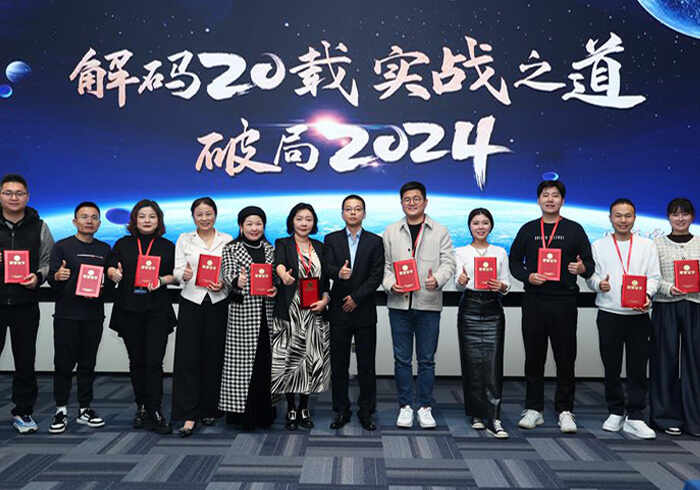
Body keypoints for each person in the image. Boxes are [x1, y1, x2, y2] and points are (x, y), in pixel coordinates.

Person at [509, 180, 594, 433]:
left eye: (555, 195)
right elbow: (514, 261)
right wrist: (528, 276)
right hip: (534, 301)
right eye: (545, 195)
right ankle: (533, 408)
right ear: (538, 200)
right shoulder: (528, 229)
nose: (550, 199)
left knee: (566, 358)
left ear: (562, 201)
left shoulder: (574, 230)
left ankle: (565, 410)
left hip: (564, 302)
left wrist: (582, 268)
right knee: (534, 358)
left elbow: (589, 265)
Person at [382, 181, 456, 430]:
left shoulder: (440, 230)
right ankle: (405, 406)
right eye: (407, 199)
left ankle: (424, 407)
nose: (411, 203)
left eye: (416, 199)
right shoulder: (391, 231)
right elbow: (384, 266)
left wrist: (439, 279)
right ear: (401, 203)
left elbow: (449, 263)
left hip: (428, 304)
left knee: (426, 360)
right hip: (399, 304)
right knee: (402, 360)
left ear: (425, 202)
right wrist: (391, 284)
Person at [586, 198, 660, 439]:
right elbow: (591, 277)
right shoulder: (599, 245)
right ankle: (615, 411)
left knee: (638, 367)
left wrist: (647, 295)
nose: (623, 220)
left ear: (635, 218)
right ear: (610, 218)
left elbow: (654, 277)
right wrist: (599, 284)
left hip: (638, 315)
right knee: (611, 366)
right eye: (618, 215)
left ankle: (635, 415)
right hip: (609, 314)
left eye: (628, 216)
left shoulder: (647, 245)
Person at [106, 199, 176, 435]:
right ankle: (142, 407)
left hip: (157, 310)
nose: (147, 220)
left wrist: (162, 280)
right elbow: (110, 265)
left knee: (154, 362)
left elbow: (175, 275)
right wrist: (112, 272)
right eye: (142, 216)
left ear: (159, 220)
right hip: (129, 309)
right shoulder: (123, 243)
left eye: (152, 216)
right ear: (134, 220)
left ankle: (155, 410)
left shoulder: (167, 246)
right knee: (136, 362)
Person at [47, 202, 113, 434]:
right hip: (66, 314)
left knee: (88, 364)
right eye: (84, 217)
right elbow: (51, 279)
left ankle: (85, 408)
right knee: (63, 364)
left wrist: (106, 283)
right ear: (75, 221)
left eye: (94, 217)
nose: (89, 221)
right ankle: (61, 409)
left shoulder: (105, 249)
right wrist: (58, 276)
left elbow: (110, 283)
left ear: (99, 223)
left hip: (93, 316)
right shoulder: (62, 247)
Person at [171, 197, 231, 437]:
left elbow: (230, 272)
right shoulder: (184, 239)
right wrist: (182, 275)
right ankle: (188, 414)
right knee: (188, 359)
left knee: (214, 357)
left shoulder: (227, 239)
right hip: (191, 302)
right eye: (199, 214)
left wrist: (224, 284)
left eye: (209, 214)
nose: (204, 218)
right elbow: (177, 270)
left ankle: (210, 409)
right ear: (193, 217)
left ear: (215, 215)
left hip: (218, 303)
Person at [324, 195, 384, 431]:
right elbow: (326, 267)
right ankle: (341, 410)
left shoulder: (375, 241)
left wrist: (356, 298)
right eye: (348, 209)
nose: (352, 212)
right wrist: (338, 273)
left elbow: (376, 276)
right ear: (342, 214)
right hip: (339, 311)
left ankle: (366, 411)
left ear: (364, 214)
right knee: (339, 364)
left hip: (364, 311)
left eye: (357, 209)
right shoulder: (331, 239)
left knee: (366, 365)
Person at [0, 173, 54, 433]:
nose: (14, 197)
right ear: (0, 196)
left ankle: (23, 412)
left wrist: (39, 277)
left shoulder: (40, 226)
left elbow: (48, 261)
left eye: (19, 193)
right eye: (8, 193)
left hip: (26, 304)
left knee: (25, 360)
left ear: (28, 196)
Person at [272, 203, 330, 431]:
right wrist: (282, 275)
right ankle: (291, 407)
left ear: (313, 222)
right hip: (290, 310)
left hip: (313, 310)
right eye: (299, 219)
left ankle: (304, 407)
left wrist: (325, 299)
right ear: (292, 221)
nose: (304, 223)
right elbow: (279, 264)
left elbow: (325, 281)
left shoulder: (320, 246)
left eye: (308, 219)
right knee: (290, 360)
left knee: (310, 360)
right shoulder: (283, 243)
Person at [219, 206, 278, 431]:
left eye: (259, 224)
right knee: (243, 367)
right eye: (249, 224)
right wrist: (237, 281)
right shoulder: (231, 248)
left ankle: (265, 414)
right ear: (241, 226)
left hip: (267, 315)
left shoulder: (270, 249)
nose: (255, 228)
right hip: (242, 316)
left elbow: (276, 278)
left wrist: (275, 288)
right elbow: (228, 274)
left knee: (264, 364)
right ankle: (245, 417)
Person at [454, 208, 511, 439]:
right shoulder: (461, 252)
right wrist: (461, 280)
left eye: (485, 222)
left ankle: (495, 417)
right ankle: (476, 413)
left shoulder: (500, 252)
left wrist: (501, 286)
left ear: (491, 225)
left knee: (493, 364)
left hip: (492, 309)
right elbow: (458, 285)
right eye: (476, 223)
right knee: (472, 363)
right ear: (470, 226)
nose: (480, 227)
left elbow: (507, 283)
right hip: (469, 308)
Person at [651, 197, 700, 437]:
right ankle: (666, 417)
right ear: (668, 217)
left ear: (692, 216)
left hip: (695, 306)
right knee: (665, 361)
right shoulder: (656, 244)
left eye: (685, 214)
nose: (680, 219)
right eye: (675, 214)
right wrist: (668, 288)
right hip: (666, 306)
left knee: (696, 362)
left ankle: (695, 419)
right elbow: (652, 276)